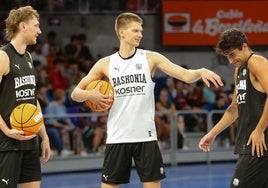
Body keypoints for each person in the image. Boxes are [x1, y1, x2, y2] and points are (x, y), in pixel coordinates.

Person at [71, 12, 223, 188]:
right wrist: (90, 95)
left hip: (146, 136)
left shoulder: (150, 58)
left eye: (141, 31)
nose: (140, 34)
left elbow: (184, 75)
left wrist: (200, 71)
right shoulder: (106, 63)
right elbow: (75, 93)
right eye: (135, 30)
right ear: (122, 32)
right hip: (118, 137)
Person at [199, 28, 268, 188]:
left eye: (232, 54)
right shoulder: (239, 71)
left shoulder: (256, 62)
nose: (230, 61)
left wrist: (258, 131)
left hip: (259, 144)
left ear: (244, 46)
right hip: (253, 143)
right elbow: (234, 108)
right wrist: (212, 133)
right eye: (227, 56)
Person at [0, 6, 50, 188]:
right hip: (7, 143)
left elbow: (32, 99)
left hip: (30, 141)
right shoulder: (3, 57)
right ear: (22, 26)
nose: (39, 31)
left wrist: (43, 136)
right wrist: (6, 130)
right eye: (36, 26)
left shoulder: (28, 56)